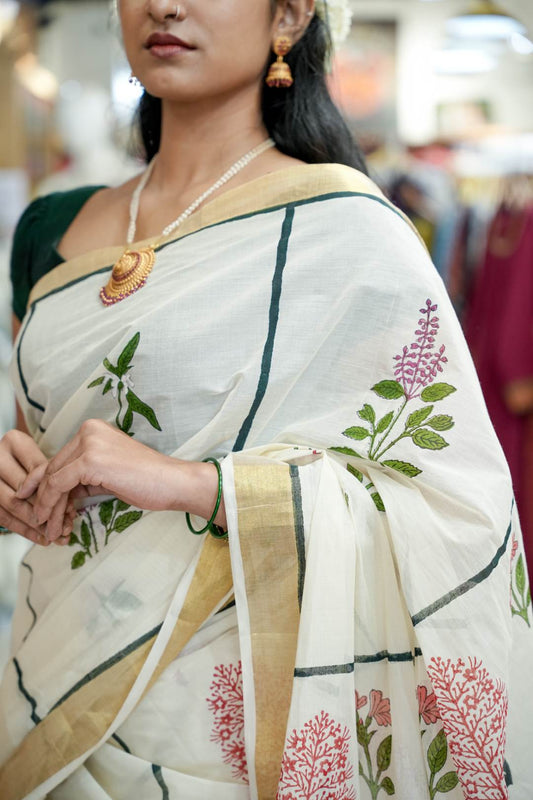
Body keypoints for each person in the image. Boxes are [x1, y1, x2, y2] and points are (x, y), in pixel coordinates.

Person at [0, 1, 532, 798]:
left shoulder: (347, 233)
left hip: (236, 730)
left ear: (289, 17)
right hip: (52, 675)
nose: (164, 4)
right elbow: (36, 430)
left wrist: (193, 484)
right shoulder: (50, 229)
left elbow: (451, 507)